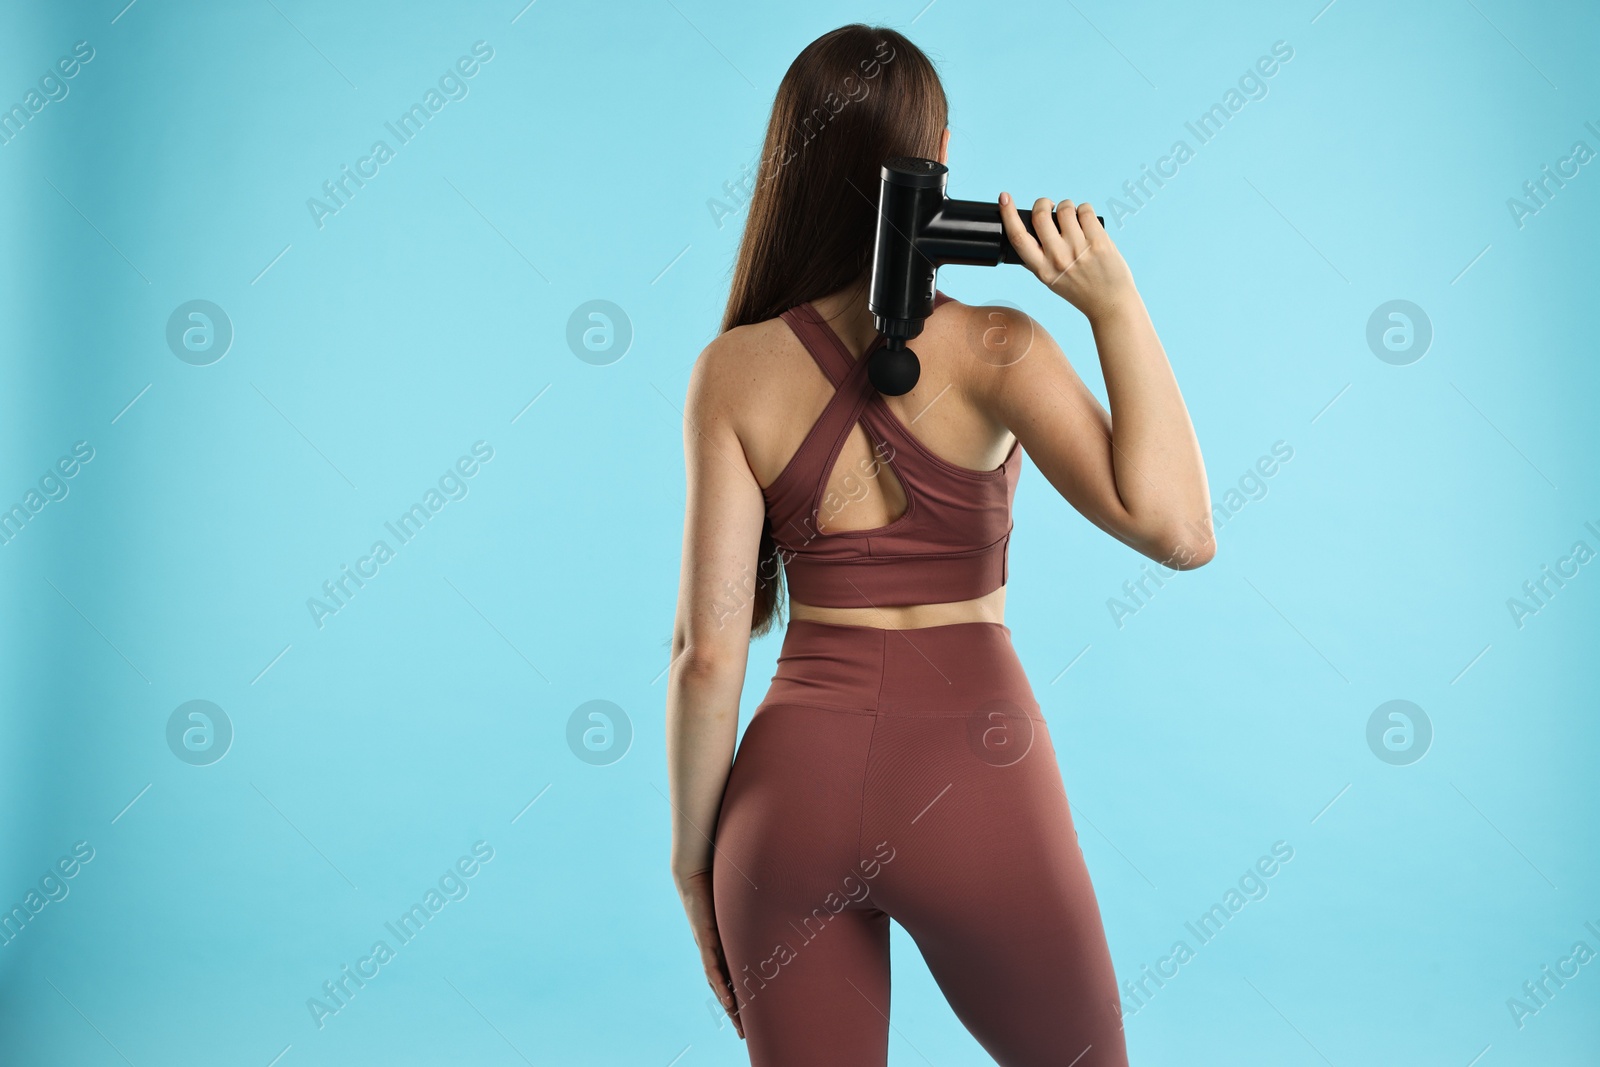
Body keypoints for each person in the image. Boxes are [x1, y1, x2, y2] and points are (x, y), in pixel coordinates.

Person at [665, 23, 1212, 1067]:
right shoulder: (1001, 347)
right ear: (940, 155)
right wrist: (1113, 304)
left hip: (786, 799)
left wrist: (695, 863)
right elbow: (1181, 532)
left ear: (788, 162)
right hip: (977, 772)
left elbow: (705, 656)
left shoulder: (728, 373)